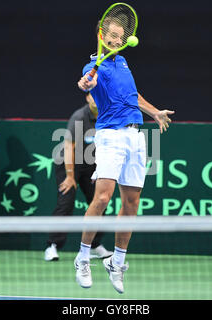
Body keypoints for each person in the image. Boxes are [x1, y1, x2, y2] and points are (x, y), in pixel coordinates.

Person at [74, 20, 174, 294]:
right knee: (103, 198)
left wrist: (154, 112)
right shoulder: (92, 67)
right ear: (101, 36)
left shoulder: (123, 63)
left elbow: (133, 96)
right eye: (113, 36)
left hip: (136, 136)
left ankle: (117, 262)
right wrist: (86, 83)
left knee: (131, 202)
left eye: (122, 37)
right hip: (110, 136)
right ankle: (83, 256)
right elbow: (87, 83)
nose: (118, 40)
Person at [44, 92, 113, 261]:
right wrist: (70, 176)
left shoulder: (108, 115)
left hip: (91, 164)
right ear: (87, 98)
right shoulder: (79, 117)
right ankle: (52, 246)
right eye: (93, 95)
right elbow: (69, 148)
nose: (96, 99)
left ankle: (94, 244)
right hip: (68, 163)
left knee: (100, 201)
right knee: (65, 203)